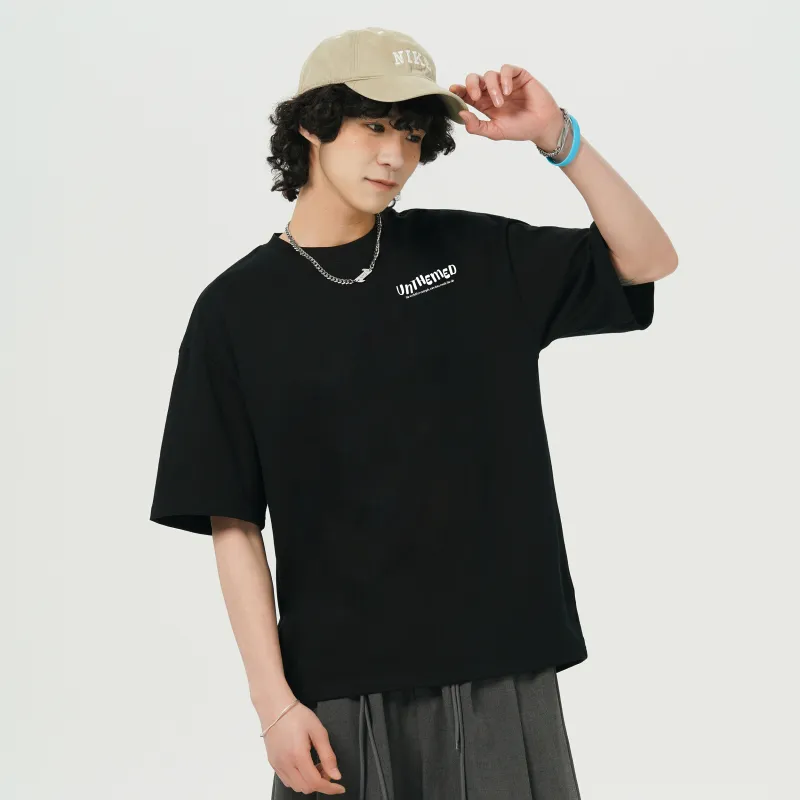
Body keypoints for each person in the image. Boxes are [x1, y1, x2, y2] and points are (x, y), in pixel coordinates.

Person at [149, 26, 677, 800]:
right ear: (312, 125)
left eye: (411, 132)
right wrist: (273, 704)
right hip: (339, 691)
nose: (394, 154)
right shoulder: (235, 311)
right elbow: (232, 522)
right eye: (372, 125)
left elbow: (648, 259)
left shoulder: (470, 254)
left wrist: (559, 139)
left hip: (499, 670)